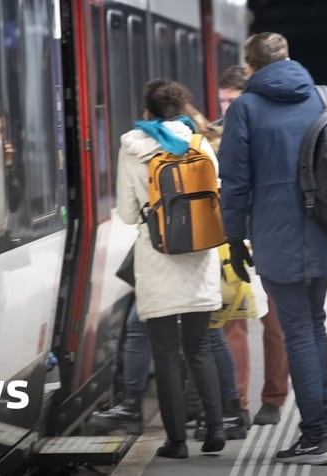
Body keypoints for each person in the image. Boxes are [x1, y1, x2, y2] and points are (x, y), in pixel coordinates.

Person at [220, 32, 327, 466]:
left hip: (277, 234)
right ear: (289, 58)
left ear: (251, 67)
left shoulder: (245, 108)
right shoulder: (325, 98)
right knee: (312, 325)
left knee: (299, 332)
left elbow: (235, 183)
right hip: (326, 229)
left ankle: (313, 437)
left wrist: (233, 237)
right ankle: (326, 428)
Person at [115, 79, 225, 459]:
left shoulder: (133, 148)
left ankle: (176, 441)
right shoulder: (200, 144)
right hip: (199, 257)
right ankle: (214, 430)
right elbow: (217, 195)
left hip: (158, 258)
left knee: (164, 353)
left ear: (147, 110)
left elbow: (129, 214)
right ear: (182, 109)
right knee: (200, 348)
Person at [215, 64, 290, 428]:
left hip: (269, 237)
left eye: (232, 101)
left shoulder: (266, 133)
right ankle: (238, 403)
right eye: (222, 101)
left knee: (274, 325)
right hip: (233, 239)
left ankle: (273, 399)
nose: (227, 108)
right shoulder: (217, 134)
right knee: (234, 323)